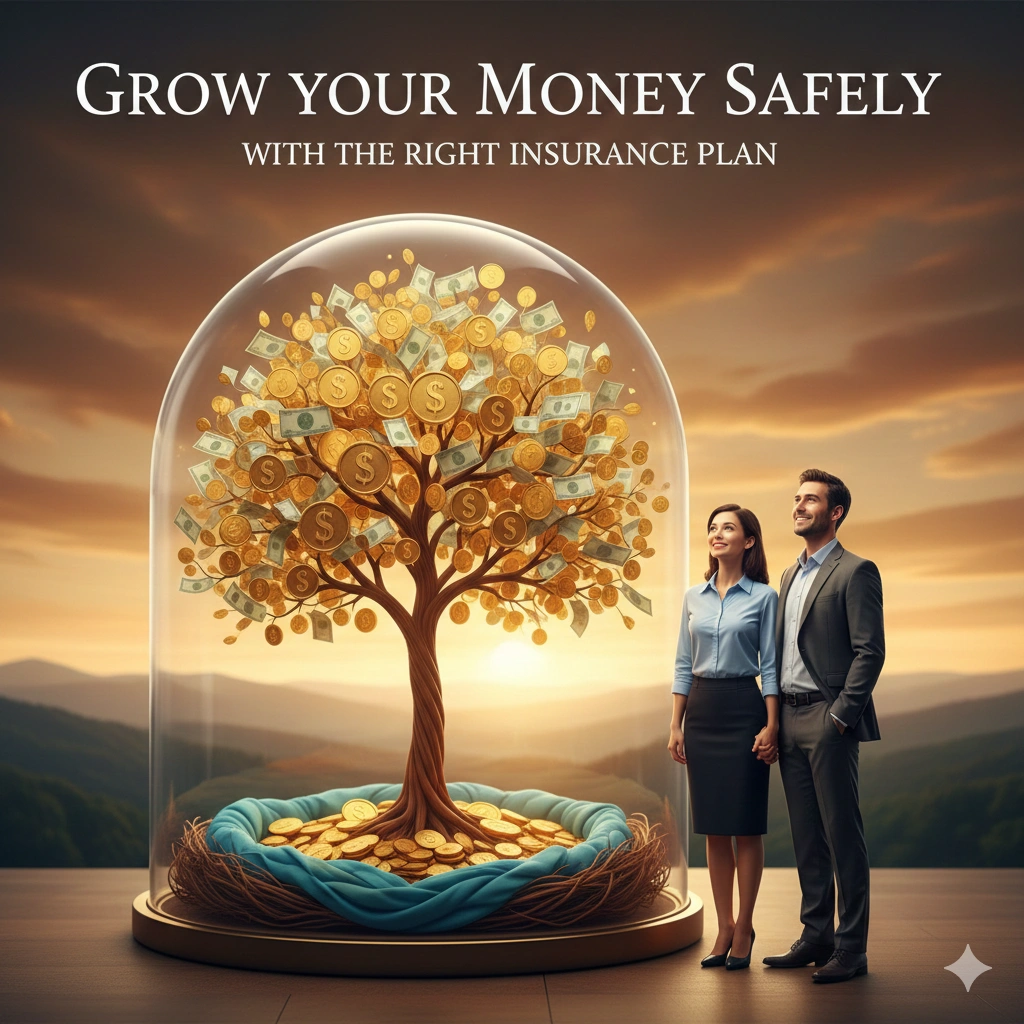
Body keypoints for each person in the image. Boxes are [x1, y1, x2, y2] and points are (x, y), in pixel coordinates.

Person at [762, 469, 884, 984]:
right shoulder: (789, 576)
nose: (798, 505)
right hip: (788, 716)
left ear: (835, 512)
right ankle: (817, 936)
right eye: (796, 498)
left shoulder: (856, 571)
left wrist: (840, 715)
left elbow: (869, 651)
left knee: (842, 834)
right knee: (808, 837)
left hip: (828, 717)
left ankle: (851, 949)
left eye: (810, 499)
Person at [668, 504, 779, 971]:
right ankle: (725, 925)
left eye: (727, 528)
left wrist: (772, 726)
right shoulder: (693, 596)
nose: (716, 534)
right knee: (714, 828)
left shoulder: (764, 597)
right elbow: (680, 663)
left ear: (748, 540)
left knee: (747, 826)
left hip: (744, 708)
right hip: (703, 713)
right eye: (712, 528)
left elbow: (770, 665)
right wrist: (676, 723)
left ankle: (747, 925)